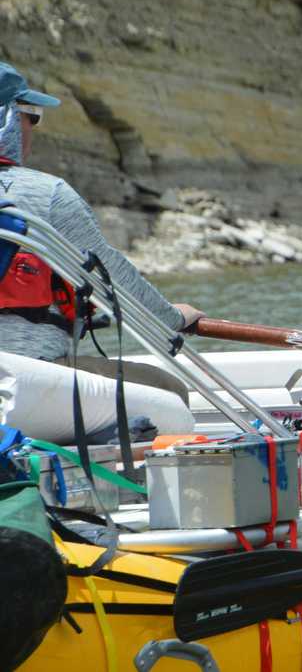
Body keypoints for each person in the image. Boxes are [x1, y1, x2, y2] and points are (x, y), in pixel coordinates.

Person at [0, 61, 202, 443]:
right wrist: (172, 318)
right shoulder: (48, 195)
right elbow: (113, 279)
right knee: (171, 393)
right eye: (31, 116)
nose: (32, 130)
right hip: (20, 382)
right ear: (7, 120)